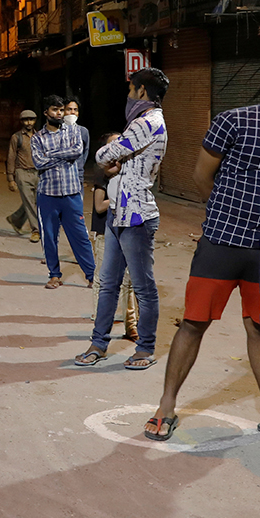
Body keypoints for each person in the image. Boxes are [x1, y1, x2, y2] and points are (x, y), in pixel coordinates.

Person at [145, 58, 260, 443]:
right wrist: (222, 215)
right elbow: (202, 175)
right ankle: (166, 406)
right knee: (193, 323)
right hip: (220, 244)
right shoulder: (233, 121)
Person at [74, 68, 170, 369]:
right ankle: (98, 343)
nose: (128, 96)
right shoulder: (143, 123)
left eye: (131, 90)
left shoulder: (147, 122)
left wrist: (112, 158)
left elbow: (104, 155)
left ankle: (145, 348)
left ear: (142, 91)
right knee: (108, 283)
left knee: (142, 287)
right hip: (120, 211)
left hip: (138, 215)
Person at [31, 94, 95, 289]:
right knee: (49, 237)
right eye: (54, 110)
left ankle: (92, 275)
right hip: (48, 195)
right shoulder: (37, 138)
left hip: (71, 193)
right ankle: (54, 275)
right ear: (46, 113)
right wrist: (62, 156)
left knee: (80, 236)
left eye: (61, 110)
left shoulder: (73, 131)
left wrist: (50, 155)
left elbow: (76, 151)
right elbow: (38, 162)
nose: (59, 114)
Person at [85, 136, 138, 343]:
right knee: (103, 279)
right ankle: (100, 325)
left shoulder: (131, 170)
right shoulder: (102, 173)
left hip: (127, 229)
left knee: (128, 280)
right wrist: (120, 198)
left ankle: (131, 326)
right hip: (104, 231)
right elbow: (99, 206)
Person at [5, 110, 41, 242]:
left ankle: (15, 219)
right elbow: (11, 156)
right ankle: (36, 230)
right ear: (21, 122)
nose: (29, 122)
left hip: (38, 173)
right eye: (26, 120)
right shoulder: (17, 137)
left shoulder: (40, 136)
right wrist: (10, 178)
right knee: (30, 202)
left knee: (37, 201)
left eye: (31, 120)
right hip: (22, 173)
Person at [63, 98, 90, 176]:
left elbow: (85, 151)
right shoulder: (57, 131)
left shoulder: (83, 131)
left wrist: (80, 165)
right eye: (69, 109)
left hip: (77, 172)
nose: (73, 112)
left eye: (75, 110)